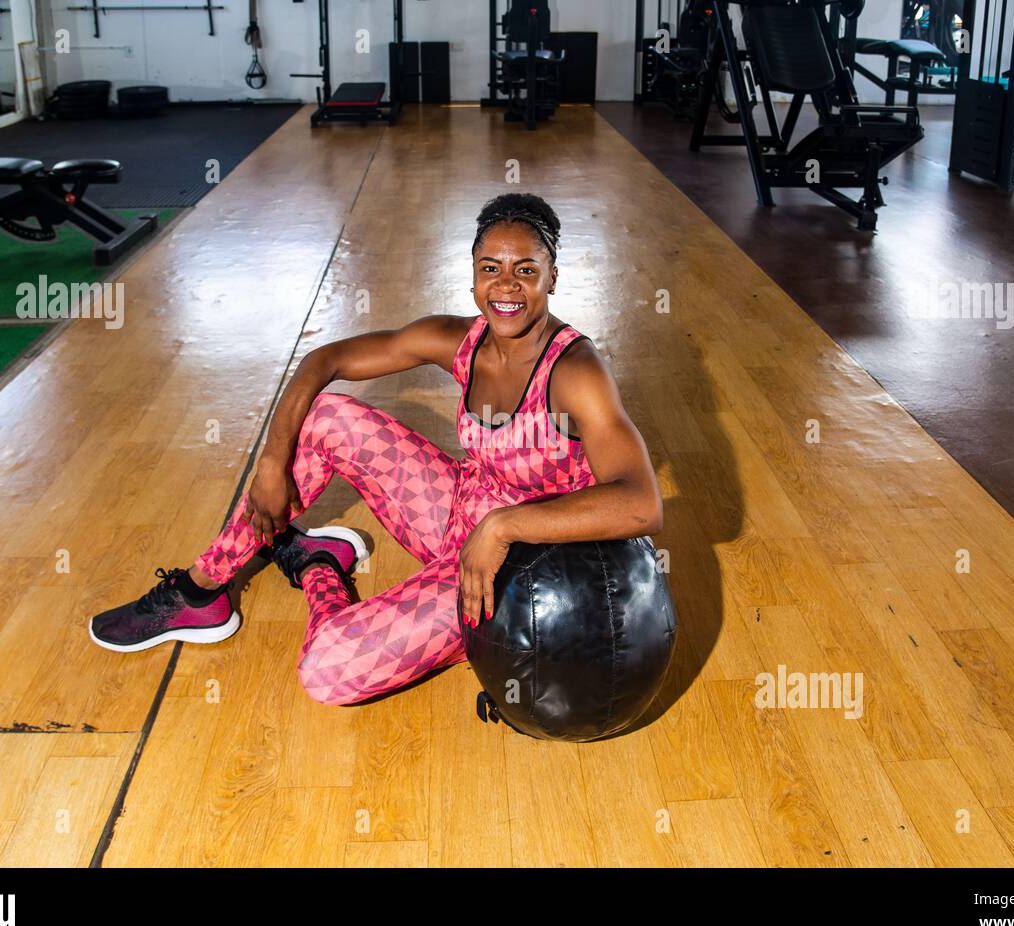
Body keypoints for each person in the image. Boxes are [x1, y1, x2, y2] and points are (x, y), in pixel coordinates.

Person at [88, 193, 663, 706]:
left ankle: (319, 566)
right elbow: (327, 359)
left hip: (518, 570)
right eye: (491, 268)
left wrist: (505, 527)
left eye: (525, 270)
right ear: (471, 277)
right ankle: (201, 590)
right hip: (460, 515)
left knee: (326, 671)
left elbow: (641, 504)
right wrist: (271, 460)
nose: (506, 286)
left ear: (553, 277)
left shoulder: (576, 372)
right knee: (326, 417)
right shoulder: (459, 340)